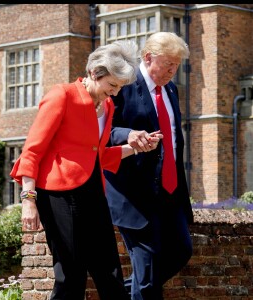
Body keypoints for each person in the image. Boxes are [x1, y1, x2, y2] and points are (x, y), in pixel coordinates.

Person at [10, 40, 161, 300]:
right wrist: (28, 199)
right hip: (57, 194)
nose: (114, 93)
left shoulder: (108, 106)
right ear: (94, 73)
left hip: (92, 191)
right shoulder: (62, 95)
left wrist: (135, 147)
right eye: (111, 85)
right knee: (70, 274)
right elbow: (32, 150)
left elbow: (98, 156)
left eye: (119, 88)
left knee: (110, 272)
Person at [104, 32, 194, 300]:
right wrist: (128, 135)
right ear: (147, 57)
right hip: (133, 193)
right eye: (168, 64)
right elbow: (101, 131)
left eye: (176, 65)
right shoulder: (124, 84)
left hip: (169, 191)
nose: (172, 71)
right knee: (147, 269)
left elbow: (175, 139)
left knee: (181, 250)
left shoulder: (171, 89)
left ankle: (123, 292)